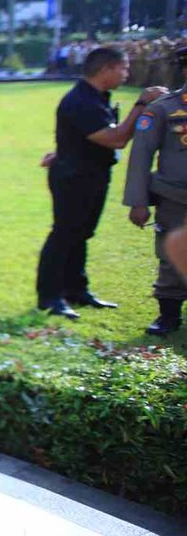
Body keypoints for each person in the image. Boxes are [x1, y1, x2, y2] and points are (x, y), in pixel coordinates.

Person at [35, 47, 167, 319]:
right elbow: (116, 138)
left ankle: (76, 291)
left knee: (82, 234)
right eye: (124, 68)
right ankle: (50, 297)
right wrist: (141, 104)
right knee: (64, 234)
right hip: (74, 177)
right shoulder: (81, 101)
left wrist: (62, 151)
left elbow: (78, 136)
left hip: (91, 173)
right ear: (107, 69)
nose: (126, 73)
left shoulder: (96, 98)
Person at [122, 41, 187, 336]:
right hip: (176, 198)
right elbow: (141, 156)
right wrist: (138, 202)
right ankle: (169, 316)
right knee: (172, 256)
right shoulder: (164, 109)